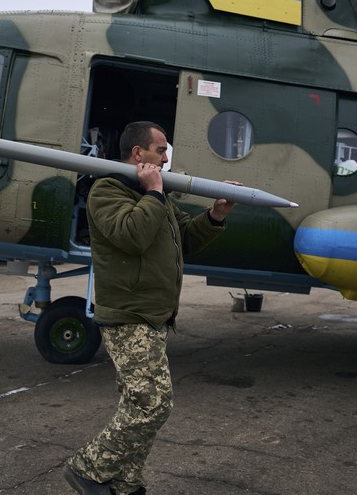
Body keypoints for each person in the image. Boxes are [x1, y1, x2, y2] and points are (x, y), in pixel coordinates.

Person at [65, 121, 236, 495]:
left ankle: (127, 483)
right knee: (151, 406)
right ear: (138, 153)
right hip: (128, 315)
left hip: (153, 316)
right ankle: (88, 467)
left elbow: (184, 238)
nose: (166, 155)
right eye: (160, 149)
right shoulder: (106, 190)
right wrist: (154, 193)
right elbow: (132, 235)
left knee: (141, 404)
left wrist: (216, 215)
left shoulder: (155, 196)